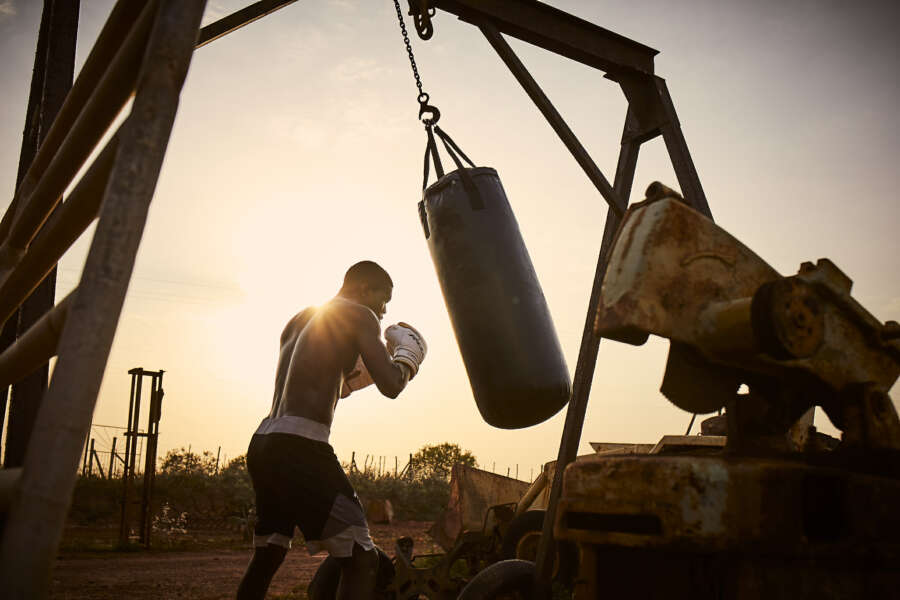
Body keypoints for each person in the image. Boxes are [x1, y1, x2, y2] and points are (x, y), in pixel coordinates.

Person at [236, 261, 427, 600]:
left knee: (269, 553)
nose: (383, 314)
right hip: (301, 446)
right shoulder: (359, 315)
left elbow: (334, 384)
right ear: (364, 289)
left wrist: (376, 358)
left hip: (265, 441)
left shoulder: (301, 319)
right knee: (362, 557)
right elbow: (392, 385)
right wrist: (409, 356)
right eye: (383, 302)